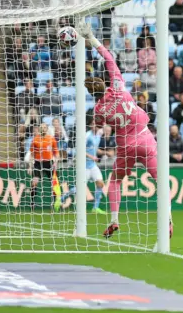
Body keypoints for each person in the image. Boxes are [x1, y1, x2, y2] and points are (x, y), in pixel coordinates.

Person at [78, 23, 171, 239]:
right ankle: (167, 219)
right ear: (104, 82)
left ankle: (114, 220)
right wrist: (91, 37)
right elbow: (110, 58)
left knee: (115, 181)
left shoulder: (99, 110)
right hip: (145, 139)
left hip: (126, 146)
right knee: (161, 180)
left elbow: (101, 126)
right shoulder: (118, 86)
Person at [60, 120, 106, 214]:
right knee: (79, 188)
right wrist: (91, 156)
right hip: (85, 165)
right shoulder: (87, 136)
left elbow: (95, 145)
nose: (95, 126)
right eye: (93, 124)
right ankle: (62, 198)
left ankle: (95, 208)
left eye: (96, 124)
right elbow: (79, 150)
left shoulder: (98, 134)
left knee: (100, 183)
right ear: (90, 126)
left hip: (92, 165)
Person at [28, 123, 60, 210]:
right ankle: (32, 203)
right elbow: (31, 155)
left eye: (45, 127)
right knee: (34, 182)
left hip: (49, 162)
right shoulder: (35, 140)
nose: (43, 129)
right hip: (38, 163)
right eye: (41, 128)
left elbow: (56, 153)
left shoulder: (51, 139)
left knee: (54, 182)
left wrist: (56, 162)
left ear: (47, 129)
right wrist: (30, 166)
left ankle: (55, 203)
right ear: (39, 129)